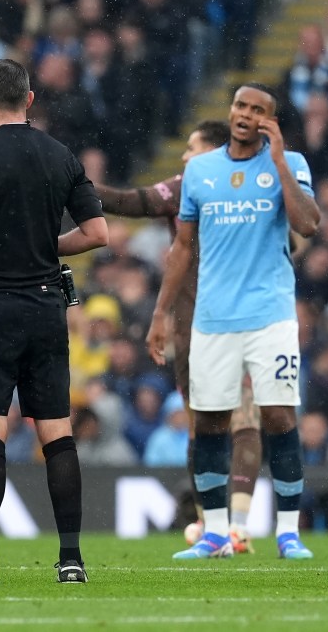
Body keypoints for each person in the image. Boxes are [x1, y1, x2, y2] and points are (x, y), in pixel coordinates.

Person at [0, 58, 108, 585]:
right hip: (45, 306)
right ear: (30, 99)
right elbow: (98, 232)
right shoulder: (59, 155)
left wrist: (0, 239)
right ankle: (72, 559)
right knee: (57, 433)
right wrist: (44, 245)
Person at [146, 83, 320, 560]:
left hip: (271, 316)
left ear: (270, 120)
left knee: (279, 417)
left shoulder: (293, 164)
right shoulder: (201, 170)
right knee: (209, 424)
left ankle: (288, 533)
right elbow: (182, 247)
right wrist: (160, 313)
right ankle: (216, 534)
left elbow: (307, 224)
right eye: (241, 105)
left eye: (257, 109)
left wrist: (280, 160)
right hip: (212, 320)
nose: (246, 113)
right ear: (231, 111)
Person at [95, 120, 262, 553]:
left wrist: (78, 186)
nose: (185, 156)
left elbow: (136, 202)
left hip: (234, 321)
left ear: (212, 152)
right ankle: (216, 526)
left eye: (192, 148)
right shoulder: (197, 185)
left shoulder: (229, 185)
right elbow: (138, 203)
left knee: (236, 422)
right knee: (203, 427)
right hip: (192, 329)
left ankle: (232, 526)